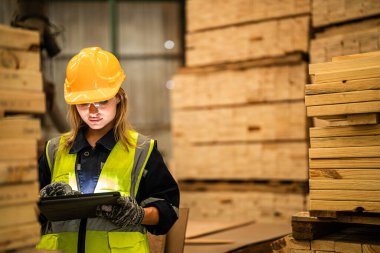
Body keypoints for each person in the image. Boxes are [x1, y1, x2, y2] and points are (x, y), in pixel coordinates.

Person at [36, 47, 180, 253]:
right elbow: (26, 214)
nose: (92, 112)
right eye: (84, 103)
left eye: (102, 101)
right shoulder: (53, 151)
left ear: (118, 97)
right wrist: (42, 201)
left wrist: (138, 214)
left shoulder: (142, 151)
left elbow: (168, 209)